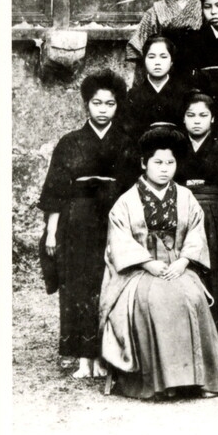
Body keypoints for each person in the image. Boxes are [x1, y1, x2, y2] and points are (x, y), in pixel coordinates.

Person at [98, 126, 218, 399]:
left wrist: (183, 261)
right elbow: (119, 241)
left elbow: (196, 232)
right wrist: (148, 263)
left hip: (176, 265)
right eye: (157, 162)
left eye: (170, 163)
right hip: (138, 270)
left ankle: (194, 381)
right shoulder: (126, 201)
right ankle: (161, 382)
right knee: (155, 300)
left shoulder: (185, 196)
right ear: (143, 163)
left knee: (191, 296)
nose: (164, 169)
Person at [39, 71, 135, 379]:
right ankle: (83, 359)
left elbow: (134, 189)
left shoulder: (126, 143)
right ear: (86, 105)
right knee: (77, 286)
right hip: (76, 220)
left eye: (110, 103)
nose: (103, 109)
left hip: (113, 219)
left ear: (117, 106)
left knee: (109, 283)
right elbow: (55, 190)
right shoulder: (69, 142)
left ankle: (105, 357)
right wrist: (52, 232)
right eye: (97, 103)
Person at [178, 92, 218, 355]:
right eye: (191, 115)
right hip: (183, 213)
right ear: (183, 119)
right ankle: (188, 342)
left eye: (203, 115)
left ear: (213, 118)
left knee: (216, 273)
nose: (197, 121)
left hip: (213, 214)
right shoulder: (177, 150)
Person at [124, 35, 190, 136]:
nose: (157, 62)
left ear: (172, 61)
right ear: (144, 60)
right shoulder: (133, 95)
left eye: (163, 57)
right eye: (151, 57)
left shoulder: (184, 94)